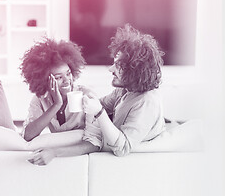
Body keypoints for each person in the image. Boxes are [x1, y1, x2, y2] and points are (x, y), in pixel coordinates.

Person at [28, 24, 166, 165]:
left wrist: (99, 112)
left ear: (135, 71)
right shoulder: (125, 90)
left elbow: (122, 148)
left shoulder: (147, 102)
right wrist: (61, 103)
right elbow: (100, 104)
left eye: (119, 66)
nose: (111, 69)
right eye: (114, 63)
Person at [20, 37, 99, 151]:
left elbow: (96, 142)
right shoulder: (40, 99)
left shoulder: (86, 95)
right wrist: (56, 105)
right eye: (59, 77)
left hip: (80, 153)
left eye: (68, 73)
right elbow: (28, 136)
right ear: (44, 80)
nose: (67, 80)